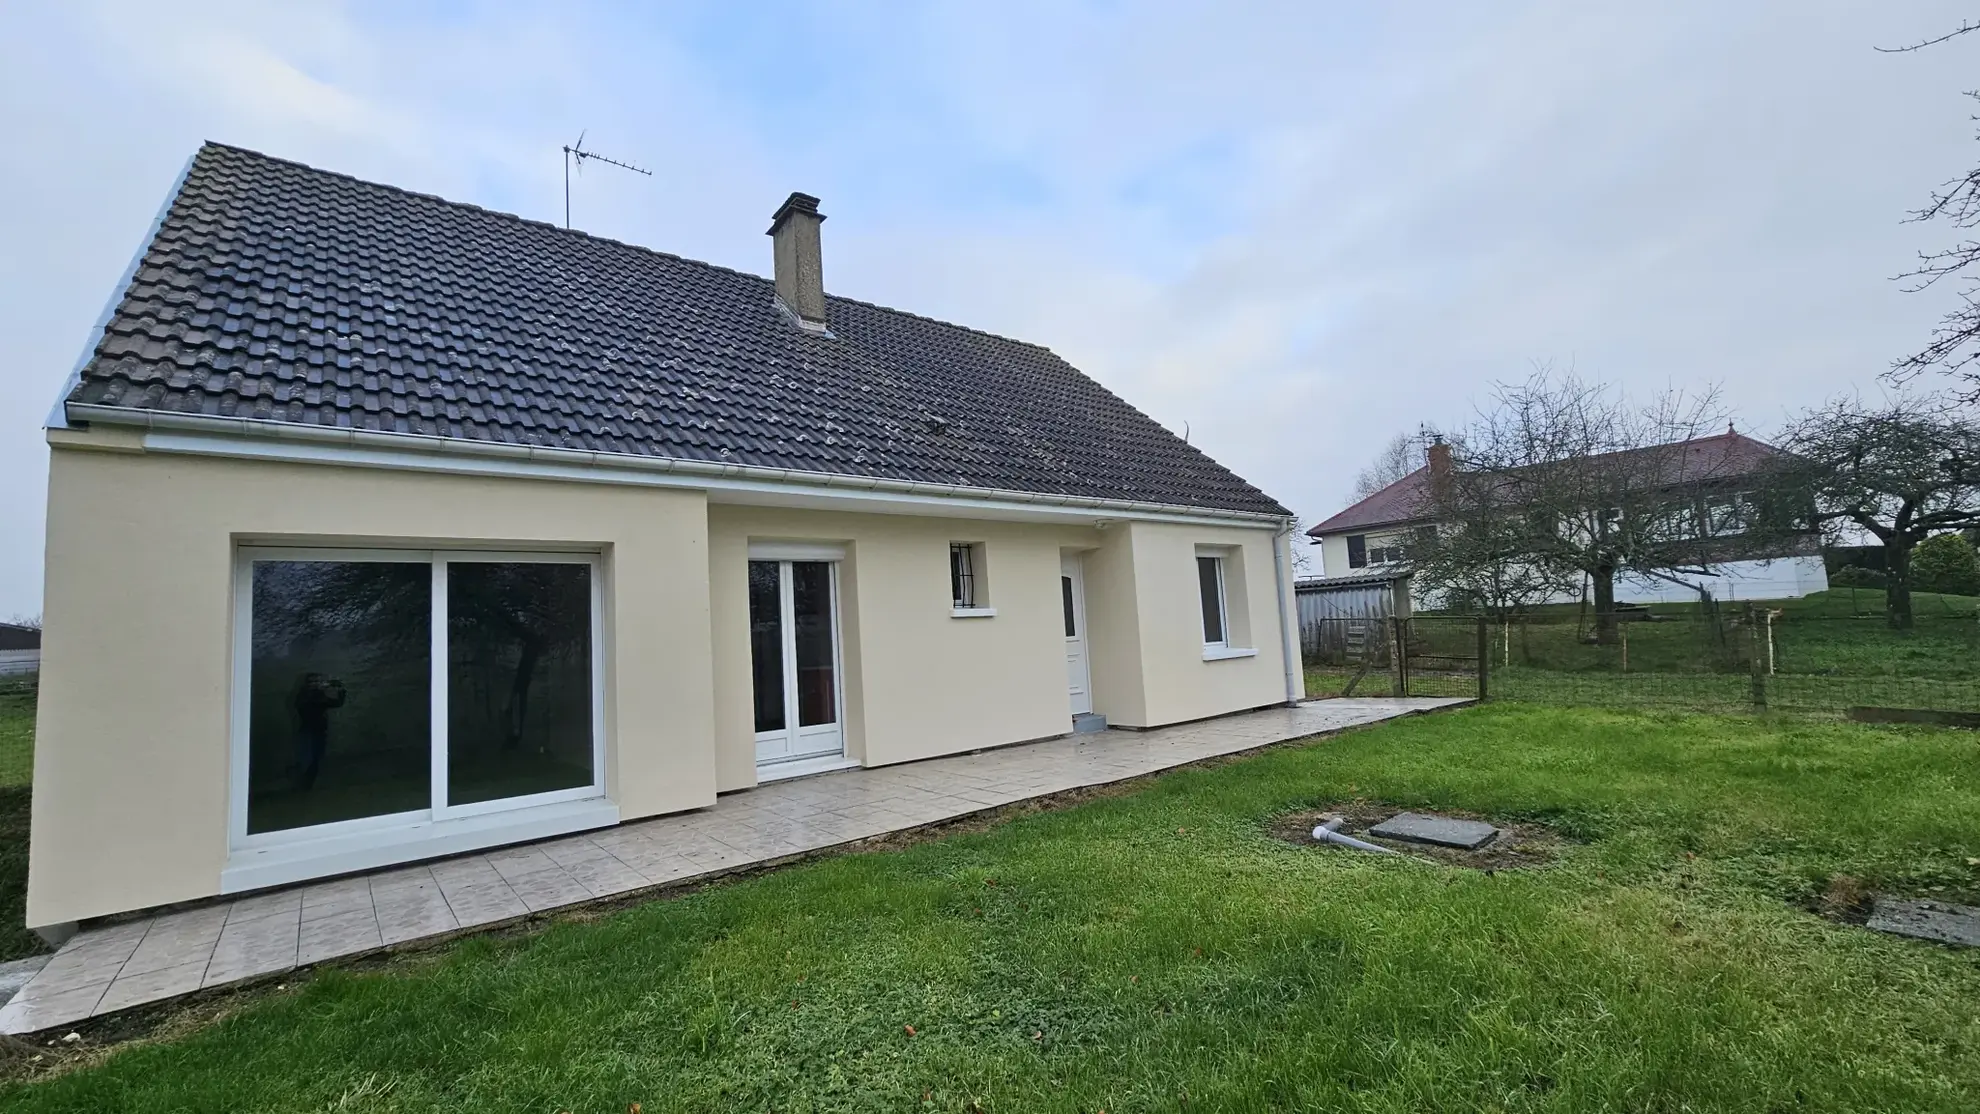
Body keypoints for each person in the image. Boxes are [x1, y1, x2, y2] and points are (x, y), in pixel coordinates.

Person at [292, 672, 347, 791]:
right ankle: (301, 785)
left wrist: (341, 690)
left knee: (317, 760)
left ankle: (306, 786)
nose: (315, 684)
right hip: (307, 732)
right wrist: (324, 688)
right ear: (307, 684)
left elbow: (336, 703)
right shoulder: (303, 695)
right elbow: (306, 703)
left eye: (317, 682)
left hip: (319, 731)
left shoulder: (319, 695)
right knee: (307, 759)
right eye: (312, 682)